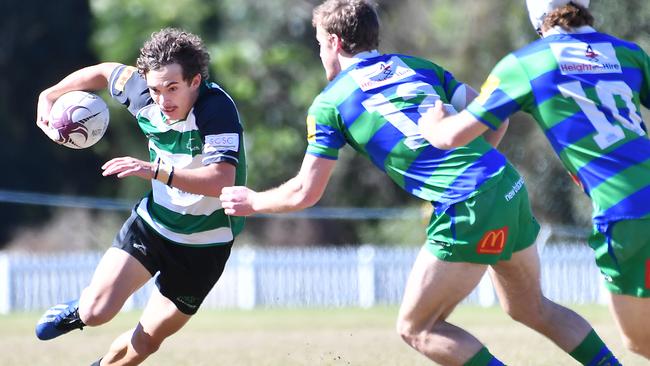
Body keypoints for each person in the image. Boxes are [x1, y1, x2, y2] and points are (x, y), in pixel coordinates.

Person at [219, 1, 618, 364]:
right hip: (505, 182)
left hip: (465, 201)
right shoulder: (418, 68)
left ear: (335, 42)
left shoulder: (329, 104)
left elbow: (306, 191)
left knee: (417, 328)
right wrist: (477, 164)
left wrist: (253, 202)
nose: (320, 51)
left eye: (320, 43)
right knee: (532, 308)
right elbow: (496, 115)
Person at [418, 0, 650, 360]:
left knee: (640, 342)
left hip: (627, 215)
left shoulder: (526, 64)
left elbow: (452, 137)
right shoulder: (629, 53)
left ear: (535, 15)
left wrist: (431, 124)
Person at [34, 28, 246, 365]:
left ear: (195, 81)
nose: (163, 100)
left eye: (172, 88)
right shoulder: (142, 94)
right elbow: (104, 72)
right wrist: (51, 93)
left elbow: (222, 179)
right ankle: (80, 310)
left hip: (206, 245)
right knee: (96, 311)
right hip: (154, 225)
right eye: (155, 89)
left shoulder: (216, 109)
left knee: (146, 343)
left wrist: (156, 171)